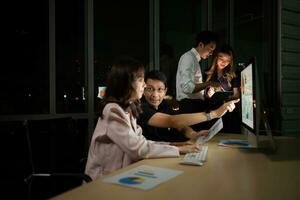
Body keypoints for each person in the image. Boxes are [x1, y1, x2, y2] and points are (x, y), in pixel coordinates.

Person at [84, 56, 201, 181]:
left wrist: (179, 145)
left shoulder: (128, 108)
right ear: (127, 83)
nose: (144, 85)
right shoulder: (112, 110)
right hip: (103, 181)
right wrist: (179, 149)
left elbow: (142, 141)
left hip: (121, 175)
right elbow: (138, 149)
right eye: (141, 80)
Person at [138, 70, 240, 143]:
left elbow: (180, 126)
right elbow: (172, 121)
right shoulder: (140, 108)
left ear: (165, 91)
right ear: (143, 89)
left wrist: (193, 134)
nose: (155, 95)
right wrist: (215, 113)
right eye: (150, 89)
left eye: (160, 89)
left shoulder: (163, 104)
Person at [205, 44, 241, 132]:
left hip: (228, 115)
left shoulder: (233, 75)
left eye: (228, 60)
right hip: (211, 115)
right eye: (221, 58)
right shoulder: (207, 74)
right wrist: (209, 93)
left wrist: (222, 94)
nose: (224, 63)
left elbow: (237, 95)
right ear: (216, 57)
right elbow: (203, 97)